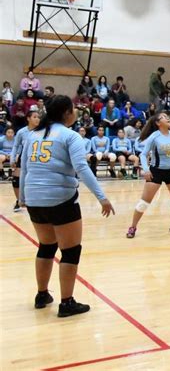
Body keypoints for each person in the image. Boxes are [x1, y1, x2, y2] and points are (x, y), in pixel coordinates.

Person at [18, 95, 114, 317]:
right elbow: (82, 168)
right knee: (71, 252)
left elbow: (24, 168)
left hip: (34, 199)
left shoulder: (32, 135)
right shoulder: (70, 136)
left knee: (46, 246)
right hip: (60, 198)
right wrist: (102, 197)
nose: (76, 112)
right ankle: (66, 302)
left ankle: (42, 294)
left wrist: (22, 196)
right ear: (66, 113)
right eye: (74, 109)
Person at [10, 109, 40, 211]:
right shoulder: (22, 132)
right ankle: (19, 201)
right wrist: (12, 158)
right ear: (28, 118)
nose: (37, 119)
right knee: (16, 179)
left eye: (38, 117)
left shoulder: (42, 131)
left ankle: (36, 200)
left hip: (37, 156)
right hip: (24, 156)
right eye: (34, 117)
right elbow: (15, 146)